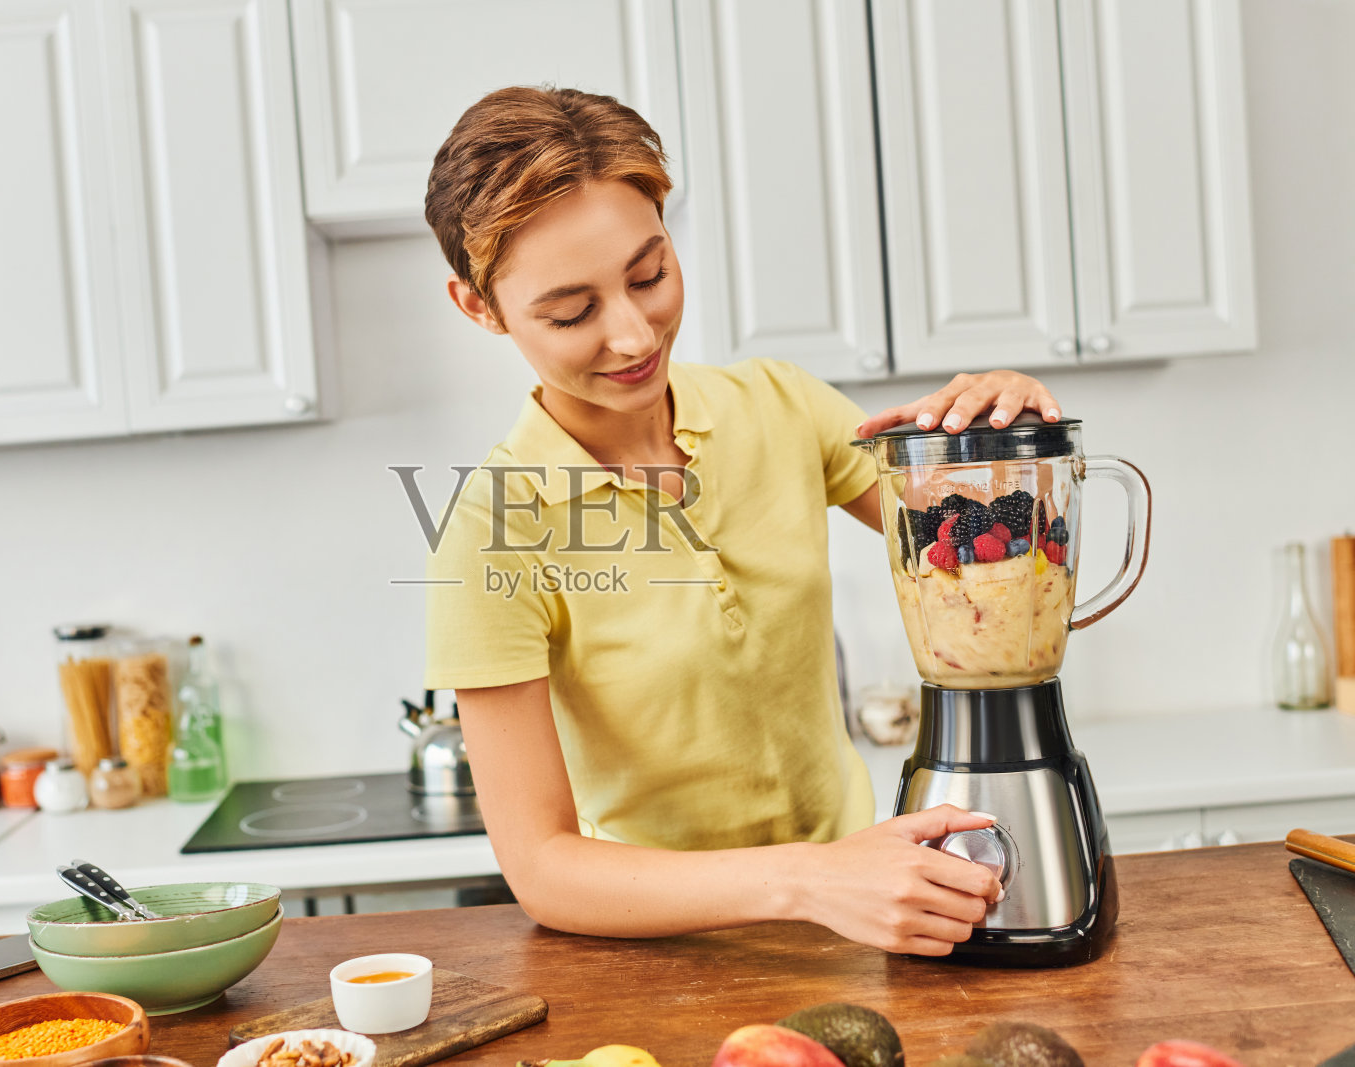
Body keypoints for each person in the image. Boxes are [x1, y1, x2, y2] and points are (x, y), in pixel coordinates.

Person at [421, 87, 1064, 956]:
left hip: (861, 932)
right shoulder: (493, 529)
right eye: (571, 311)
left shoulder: (780, 406)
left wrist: (1011, 442)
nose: (632, 332)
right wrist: (808, 879)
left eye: (649, 272)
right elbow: (542, 867)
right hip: (658, 969)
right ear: (479, 307)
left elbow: (985, 554)